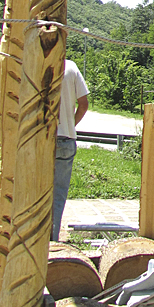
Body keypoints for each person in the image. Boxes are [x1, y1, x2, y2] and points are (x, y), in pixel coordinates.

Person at [52, 59, 89, 241]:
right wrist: (70, 125)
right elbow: (84, 104)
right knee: (57, 196)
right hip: (65, 138)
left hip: (39, 139)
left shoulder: (32, 60)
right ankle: (51, 240)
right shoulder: (71, 67)